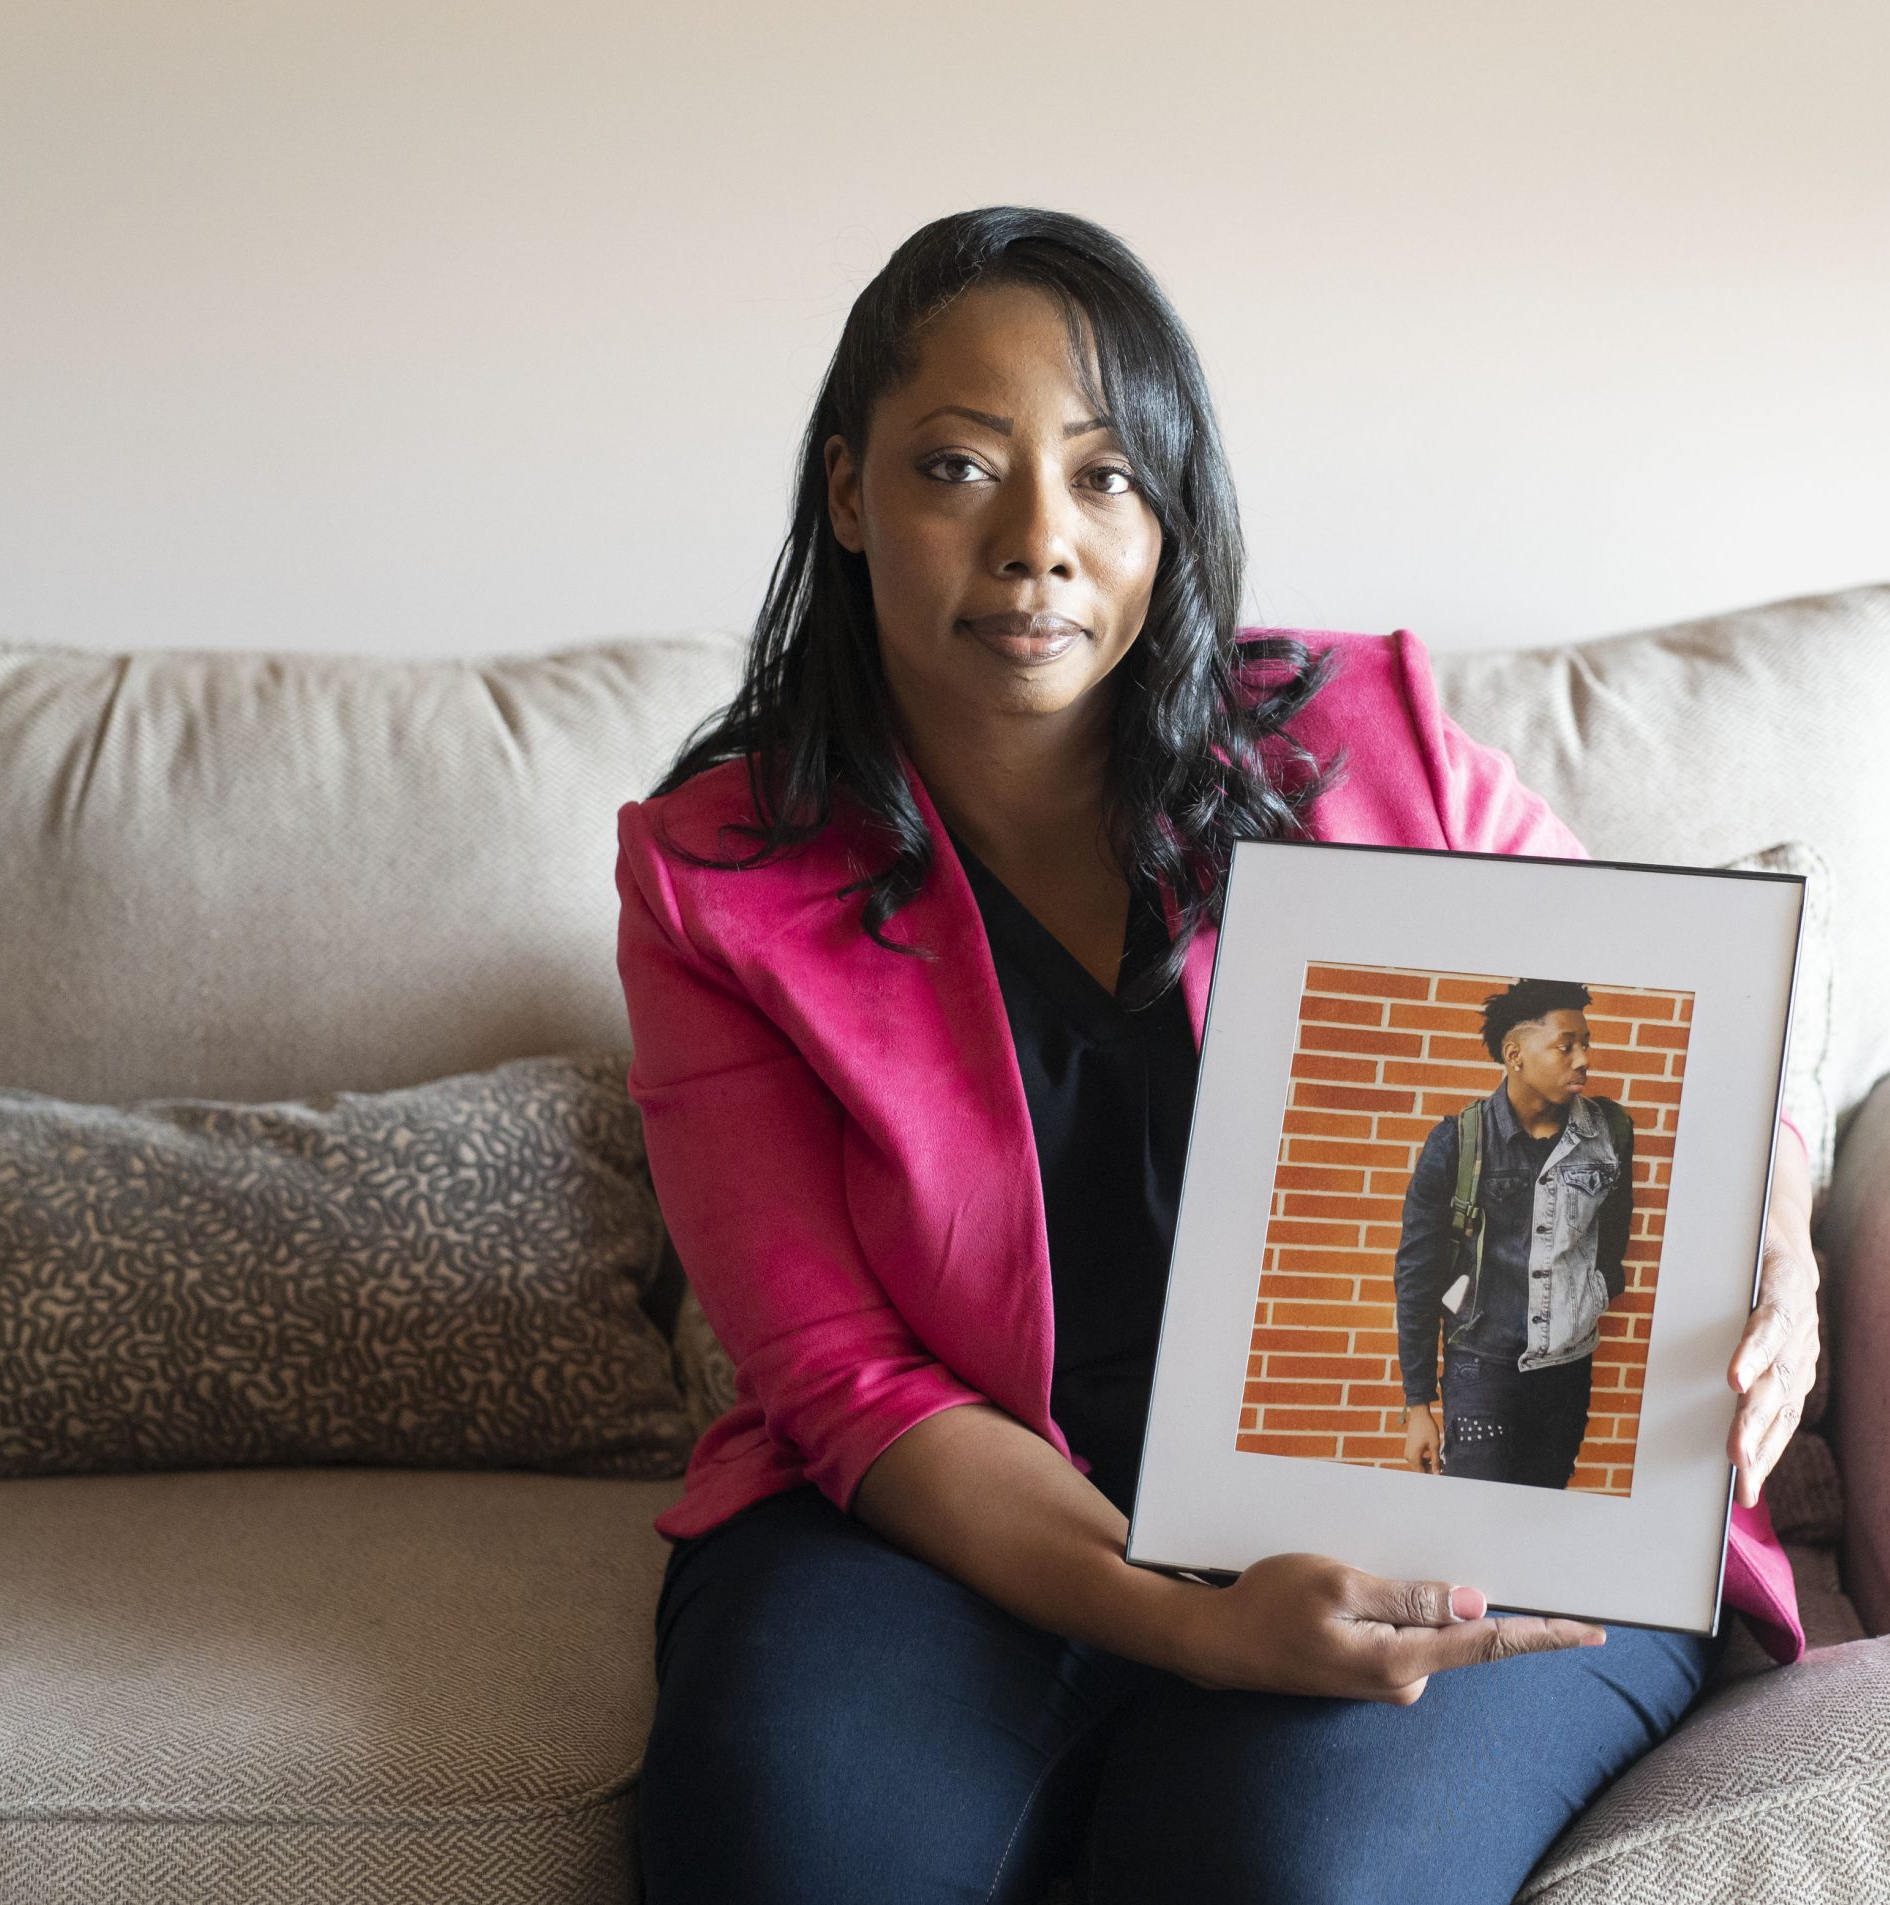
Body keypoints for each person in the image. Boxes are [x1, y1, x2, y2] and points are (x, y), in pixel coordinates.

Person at [614, 206, 1821, 1905]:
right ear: (846, 496)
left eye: (1108, 477)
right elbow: (844, 1381)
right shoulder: (721, 876)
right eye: (962, 468)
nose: (1041, 542)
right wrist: (1177, 1620)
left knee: (1276, 1875)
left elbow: (1675, 1033)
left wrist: (1778, 1230)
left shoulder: (1361, 743)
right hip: (938, 1514)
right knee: (789, 1853)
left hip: (1422, 1483)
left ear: (1173, 512)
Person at [1394, 980, 1636, 1490]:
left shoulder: (1610, 1132)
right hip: (1481, 1367)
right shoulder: (1457, 1141)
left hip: (1567, 1372)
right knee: (1475, 1516)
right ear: (1515, 1055)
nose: (1583, 1059)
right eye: (1565, 1045)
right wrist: (1418, 1404)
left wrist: (1596, 1293)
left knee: (1539, 1510)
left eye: (1586, 1043)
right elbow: (1417, 1276)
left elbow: (1613, 1232)